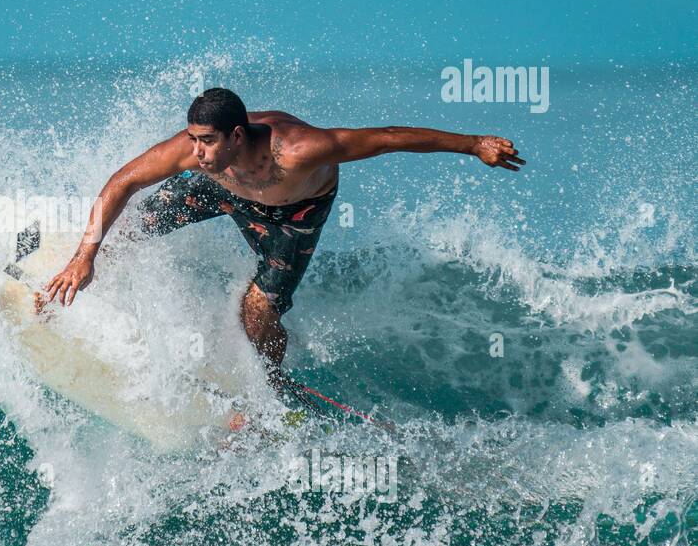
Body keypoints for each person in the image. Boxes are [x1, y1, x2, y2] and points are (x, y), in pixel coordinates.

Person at [41, 87, 523, 388]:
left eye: (206, 140)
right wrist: (85, 256)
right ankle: (65, 276)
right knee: (131, 227)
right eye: (192, 139)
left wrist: (474, 145)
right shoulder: (197, 157)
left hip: (296, 210)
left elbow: (388, 136)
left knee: (257, 309)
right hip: (226, 191)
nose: (196, 151)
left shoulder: (297, 151)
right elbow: (123, 180)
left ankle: (272, 384)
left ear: (235, 135)